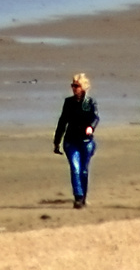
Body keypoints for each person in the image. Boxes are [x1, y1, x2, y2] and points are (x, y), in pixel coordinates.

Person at [52, 72, 98, 208]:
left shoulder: (90, 102)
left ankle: (83, 196)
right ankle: (78, 197)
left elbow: (95, 117)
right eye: (73, 86)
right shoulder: (68, 102)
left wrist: (91, 127)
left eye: (76, 86)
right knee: (75, 168)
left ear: (83, 87)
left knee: (84, 170)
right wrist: (56, 141)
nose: (74, 88)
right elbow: (62, 122)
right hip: (71, 141)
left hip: (86, 142)